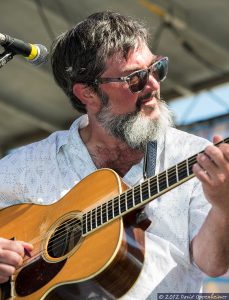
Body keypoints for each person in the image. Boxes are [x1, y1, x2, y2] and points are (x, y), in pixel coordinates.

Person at [0, 11, 228, 299]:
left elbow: (213, 263)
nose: (154, 85)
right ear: (87, 94)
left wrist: (224, 205)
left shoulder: (196, 156)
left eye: (157, 69)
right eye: (136, 78)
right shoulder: (26, 168)